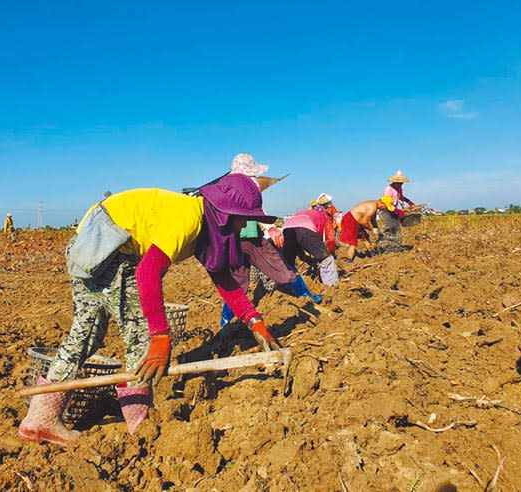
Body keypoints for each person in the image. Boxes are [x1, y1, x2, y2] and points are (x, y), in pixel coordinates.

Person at [18, 174, 282, 446]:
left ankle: (39, 419)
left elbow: (221, 277)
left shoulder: (206, 222)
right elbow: (148, 271)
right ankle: (140, 426)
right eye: (243, 218)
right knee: (142, 340)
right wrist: (160, 337)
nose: (244, 225)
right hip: (109, 247)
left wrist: (253, 319)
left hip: (88, 243)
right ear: (227, 212)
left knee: (87, 333)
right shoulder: (189, 217)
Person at [220, 154, 322, 328]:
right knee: (280, 269)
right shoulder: (248, 185)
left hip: (232, 241)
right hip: (252, 239)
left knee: (236, 283)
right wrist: (271, 227)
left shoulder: (224, 187)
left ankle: (225, 321)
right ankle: (307, 297)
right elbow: (255, 210)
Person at [281, 207, 338, 286]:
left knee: (289, 262)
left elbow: (299, 244)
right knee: (327, 259)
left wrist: (307, 259)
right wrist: (331, 253)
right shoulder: (324, 216)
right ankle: (331, 285)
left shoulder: (301, 213)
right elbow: (330, 239)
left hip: (287, 229)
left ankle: (290, 286)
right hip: (305, 229)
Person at [378, 170, 414, 252]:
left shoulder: (399, 188)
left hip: (392, 211)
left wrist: (408, 201)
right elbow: (387, 204)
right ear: (394, 182)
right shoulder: (388, 189)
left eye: (402, 182)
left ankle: (395, 245)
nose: (401, 184)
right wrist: (399, 211)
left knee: (396, 229)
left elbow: (400, 196)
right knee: (395, 229)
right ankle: (394, 247)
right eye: (399, 182)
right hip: (385, 211)